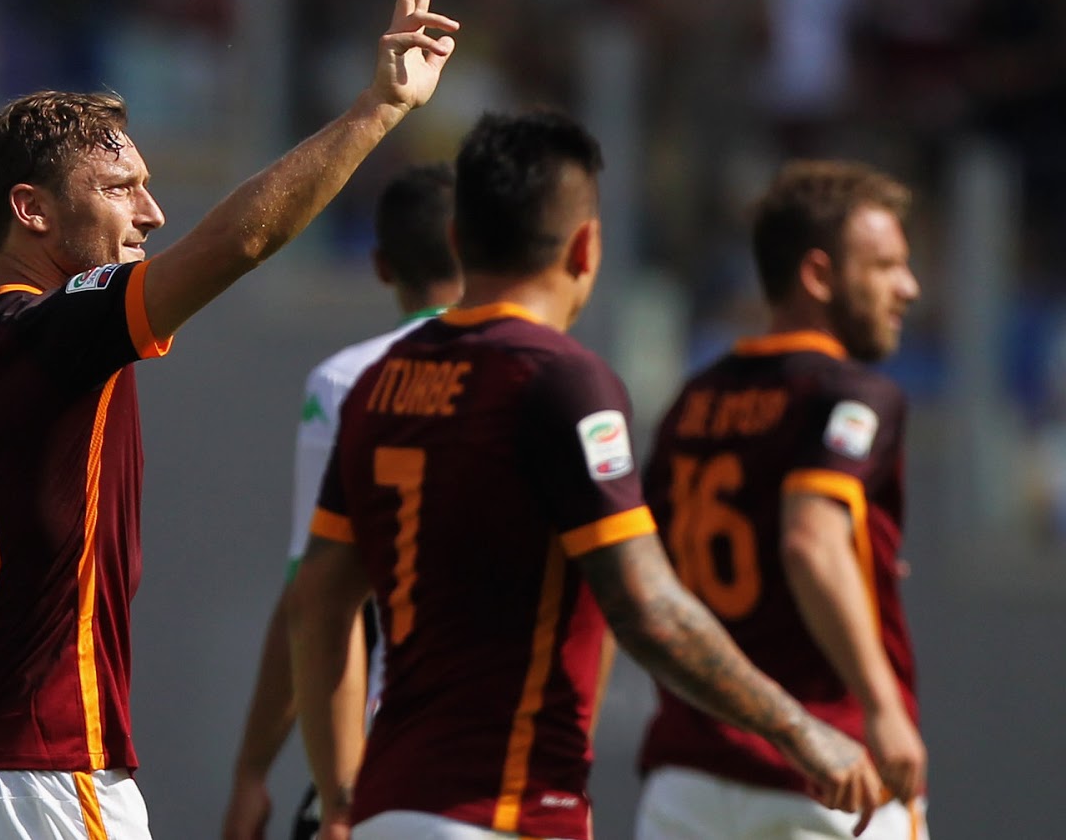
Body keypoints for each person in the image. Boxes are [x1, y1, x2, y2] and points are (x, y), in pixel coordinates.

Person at [0, 0, 459, 840]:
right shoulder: (63, 329)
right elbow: (240, 243)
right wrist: (378, 109)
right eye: (121, 189)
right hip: (39, 779)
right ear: (32, 210)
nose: (151, 214)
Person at [286, 110, 886, 840]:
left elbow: (316, 604)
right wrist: (799, 730)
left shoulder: (380, 383)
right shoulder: (559, 378)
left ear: (458, 238)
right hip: (502, 812)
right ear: (586, 246)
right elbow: (645, 606)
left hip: (388, 810)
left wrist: (341, 795)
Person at [634, 159, 927, 839]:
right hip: (830, 770)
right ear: (819, 275)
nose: (908, 287)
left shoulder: (693, 401)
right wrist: (883, 708)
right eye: (885, 266)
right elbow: (808, 542)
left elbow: (645, 572)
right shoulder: (854, 394)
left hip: (685, 781)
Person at [222, 163, 463, 840]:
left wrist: (254, 775)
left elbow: (316, 598)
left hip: (389, 765)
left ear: (382, 267)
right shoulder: (550, 372)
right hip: (521, 772)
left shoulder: (349, 381)